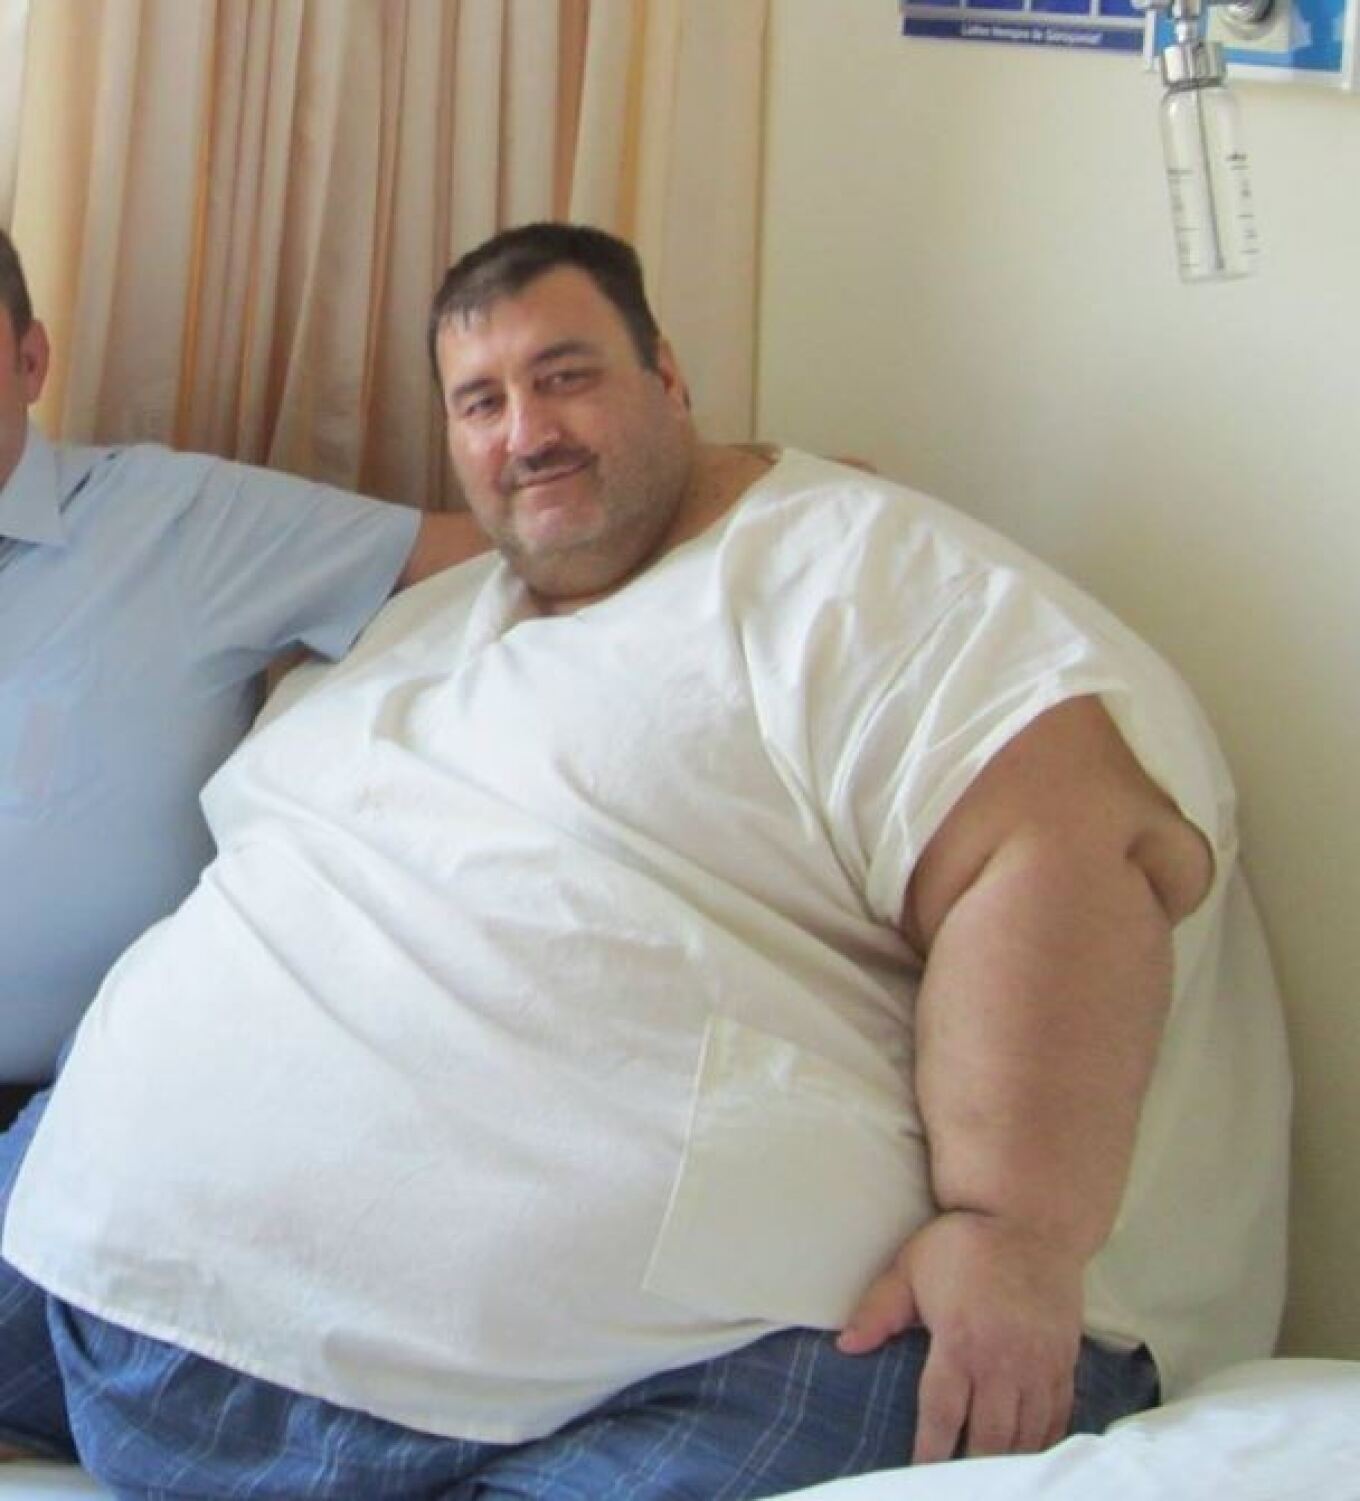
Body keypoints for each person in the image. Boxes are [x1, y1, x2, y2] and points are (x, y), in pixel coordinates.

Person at [0, 223, 1290, 1499]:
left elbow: (1062, 835)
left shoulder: (858, 577)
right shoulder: (441, 613)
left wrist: (1012, 1227)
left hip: (586, 1382)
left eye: (565, 377)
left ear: (666, 375)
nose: (528, 432)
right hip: (92, 1253)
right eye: (481, 403)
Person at [0, 228, 486, 1128]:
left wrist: (716, 487)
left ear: (30, 362)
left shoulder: (180, 523)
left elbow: (467, 548)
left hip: (85, 1103)